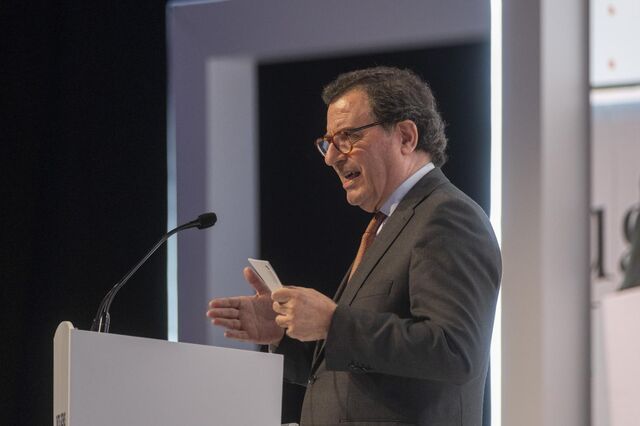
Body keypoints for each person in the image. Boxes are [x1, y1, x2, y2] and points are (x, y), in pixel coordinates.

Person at [207, 66, 501, 425]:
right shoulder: (388, 224)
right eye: (328, 142)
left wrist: (333, 323)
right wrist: (285, 334)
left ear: (406, 137)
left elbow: (454, 351)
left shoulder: (447, 216)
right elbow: (363, 367)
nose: (331, 157)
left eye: (347, 137)